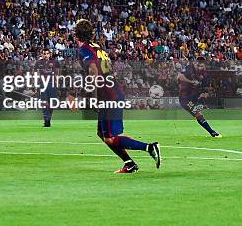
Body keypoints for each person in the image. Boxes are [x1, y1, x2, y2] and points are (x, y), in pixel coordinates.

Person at [75, 19, 161, 174]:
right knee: (102, 133)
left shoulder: (85, 50)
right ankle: (129, 163)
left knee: (110, 138)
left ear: (76, 34)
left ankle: (149, 147)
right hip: (112, 91)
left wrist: (93, 97)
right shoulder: (96, 47)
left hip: (108, 96)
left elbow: (94, 71)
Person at [177, 58, 221, 137]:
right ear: (195, 63)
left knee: (199, 113)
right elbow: (180, 76)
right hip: (185, 98)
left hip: (194, 97)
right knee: (198, 114)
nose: (200, 67)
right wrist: (191, 82)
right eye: (199, 65)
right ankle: (212, 133)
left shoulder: (204, 74)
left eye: (202, 66)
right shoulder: (189, 68)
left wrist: (205, 93)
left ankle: (200, 104)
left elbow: (206, 86)